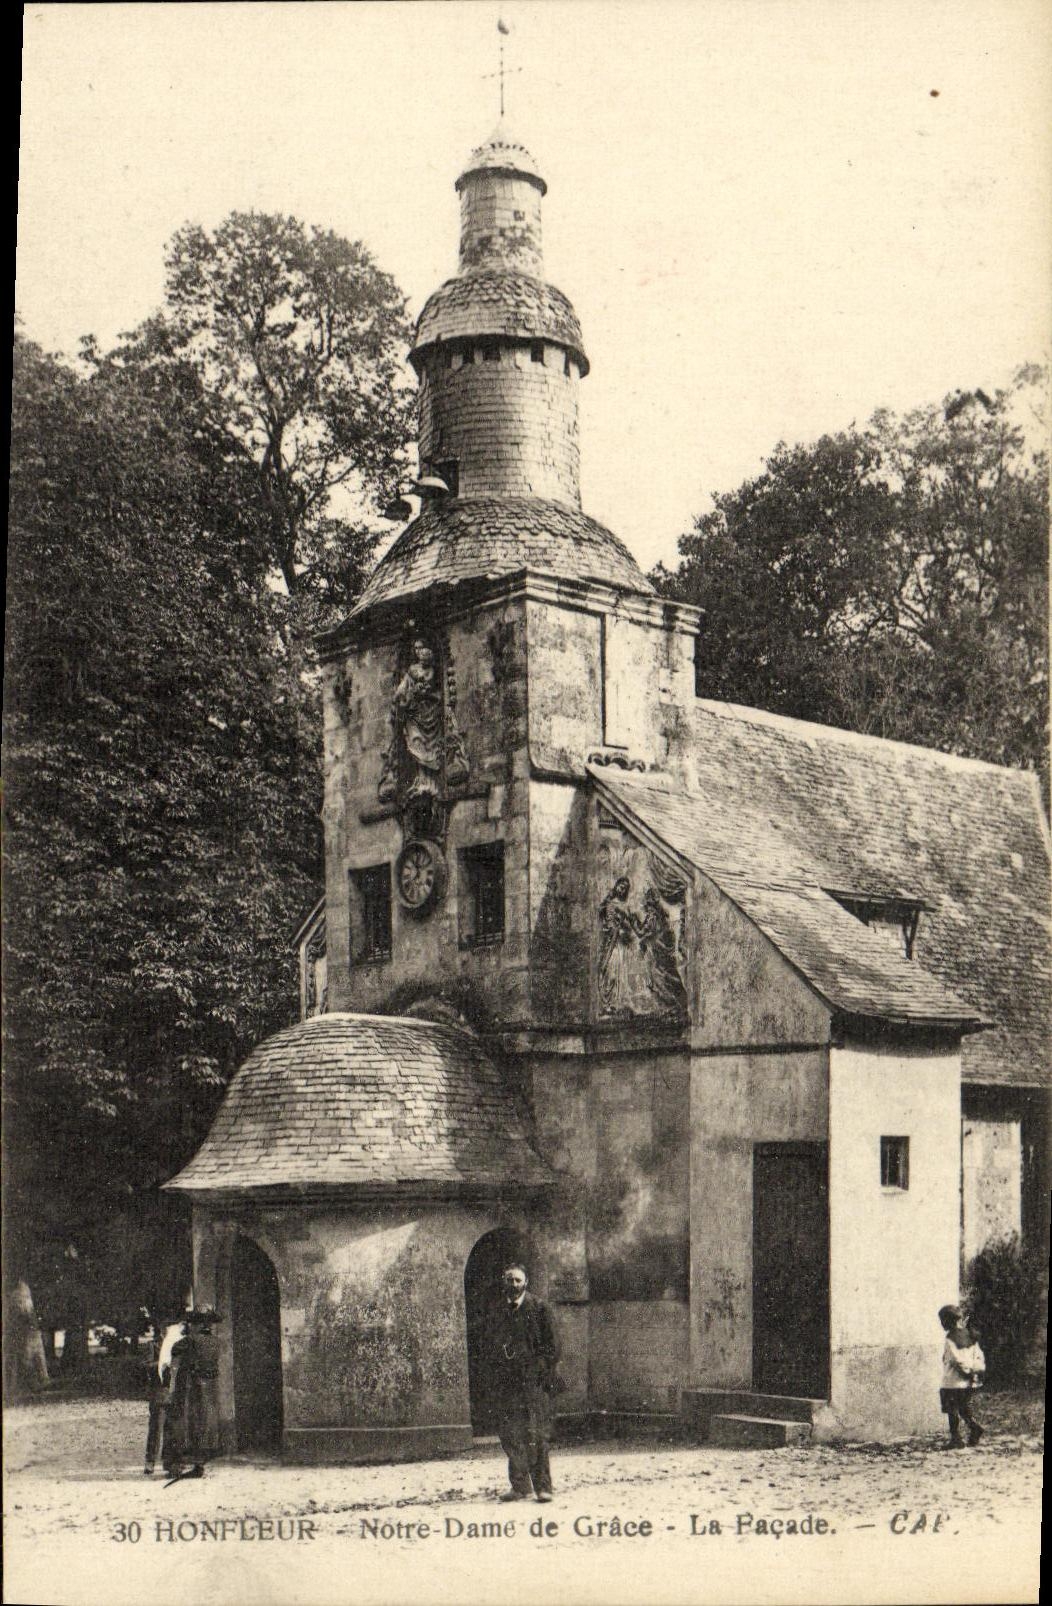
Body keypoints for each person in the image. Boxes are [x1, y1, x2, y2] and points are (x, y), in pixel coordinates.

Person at [491, 1264, 560, 1503]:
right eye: (509, 1280)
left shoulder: (540, 1308)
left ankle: (543, 1487)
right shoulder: (498, 1311)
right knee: (511, 1434)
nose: (513, 1284)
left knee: (536, 1434)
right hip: (508, 1384)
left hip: (534, 1384)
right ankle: (520, 1487)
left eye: (518, 1280)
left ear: (526, 1282)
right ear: (504, 1281)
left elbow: (553, 1348)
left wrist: (536, 1371)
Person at [164, 1308, 222, 1481]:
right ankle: (199, 1464)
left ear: (197, 1324)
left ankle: (176, 1465)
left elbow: (173, 1349)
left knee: (181, 1423)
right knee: (202, 1424)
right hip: (208, 1389)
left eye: (193, 1322)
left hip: (189, 1388)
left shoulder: (190, 1341)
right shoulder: (216, 1341)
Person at [938, 1304, 985, 1448]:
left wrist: (967, 1372)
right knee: (963, 1408)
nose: (942, 1324)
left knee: (952, 1411)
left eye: (942, 1321)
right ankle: (974, 1427)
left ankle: (956, 1438)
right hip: (968, 1382)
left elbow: (957, 1359)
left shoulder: (950, 1339)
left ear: (948, 1321)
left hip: (952, 1382)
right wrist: (975, 1373)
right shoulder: (970, 1335)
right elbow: (978, 1356)